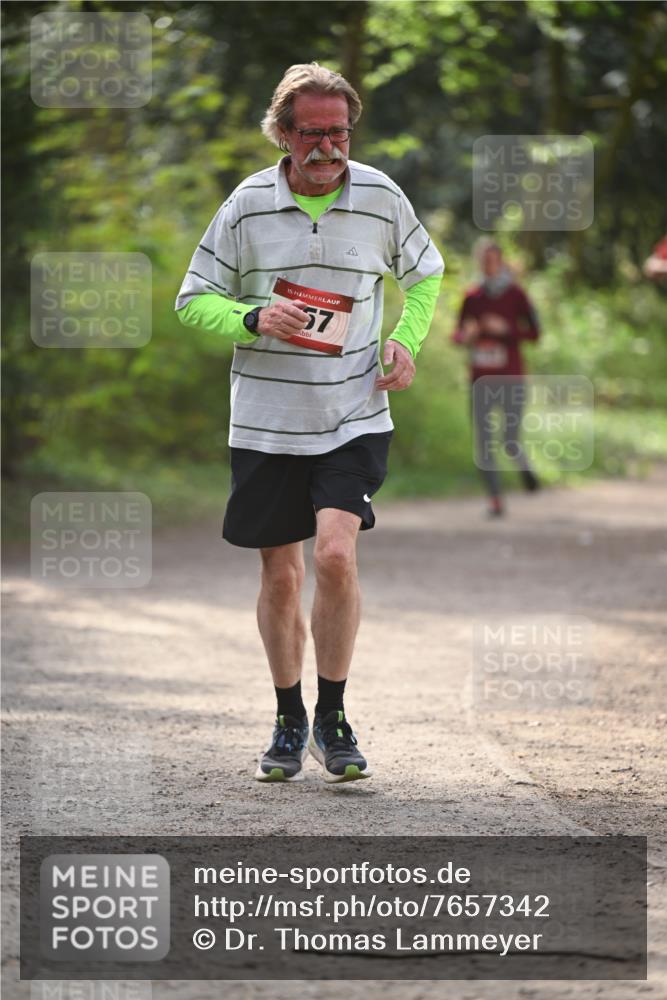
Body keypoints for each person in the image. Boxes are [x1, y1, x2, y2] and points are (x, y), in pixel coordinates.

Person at [175, 63, 443, 783]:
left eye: (339, 132)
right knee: (282, 575)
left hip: (353, 412)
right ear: (283, 135)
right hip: (266, 420)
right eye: (312, 134)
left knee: (332, 554)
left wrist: (405, 341)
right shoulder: (248, 204)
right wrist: (252, 315)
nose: (328, 147)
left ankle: (333, 714)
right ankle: (288, 716)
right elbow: (192, 298)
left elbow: (424, 274)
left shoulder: (381, 195)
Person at [452, 240, 540, 517]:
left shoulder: (516, 295)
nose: (488, 265)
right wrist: (466, 337)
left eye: (493, 260)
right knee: (484, 441)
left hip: (511, 377)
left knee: (509, 439)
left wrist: (506, 330)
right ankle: (495, 500)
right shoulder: (472, 296)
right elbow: (458, 334)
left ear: (501, 262)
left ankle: (526, 471)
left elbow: (535, 334)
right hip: (481, 379)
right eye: (484, 261)